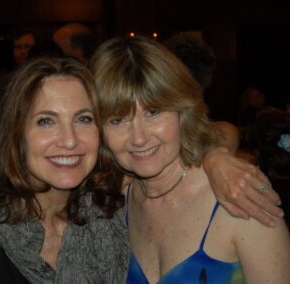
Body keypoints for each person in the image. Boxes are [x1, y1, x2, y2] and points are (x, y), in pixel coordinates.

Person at [90, 36, 290, 283]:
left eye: (153, 112)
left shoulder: (240, 199)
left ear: (182, 110)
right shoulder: (112, 202)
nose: (139, 138)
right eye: (117, 120)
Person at [0, 56, 129, 283]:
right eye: (46, 121)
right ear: (15, 135)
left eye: (83, 119)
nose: (69, 141)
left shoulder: (117, 213)